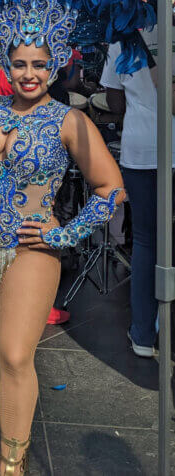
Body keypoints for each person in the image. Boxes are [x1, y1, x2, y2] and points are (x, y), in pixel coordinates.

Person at [0, 0, 151, 475]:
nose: (29, 74)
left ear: (55, 61)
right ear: (7, 62)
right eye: (19, 63)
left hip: (32, 244)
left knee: (17, 353)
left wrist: (63, 234)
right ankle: (7, 429)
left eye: (40, 64)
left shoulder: (69, 121)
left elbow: (111, 189)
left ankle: (11, 462)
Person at [101, 26, 175, 357]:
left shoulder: (122, 39)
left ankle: (144, 334)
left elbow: (114, 99)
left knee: (146, 240)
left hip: (142, 149)